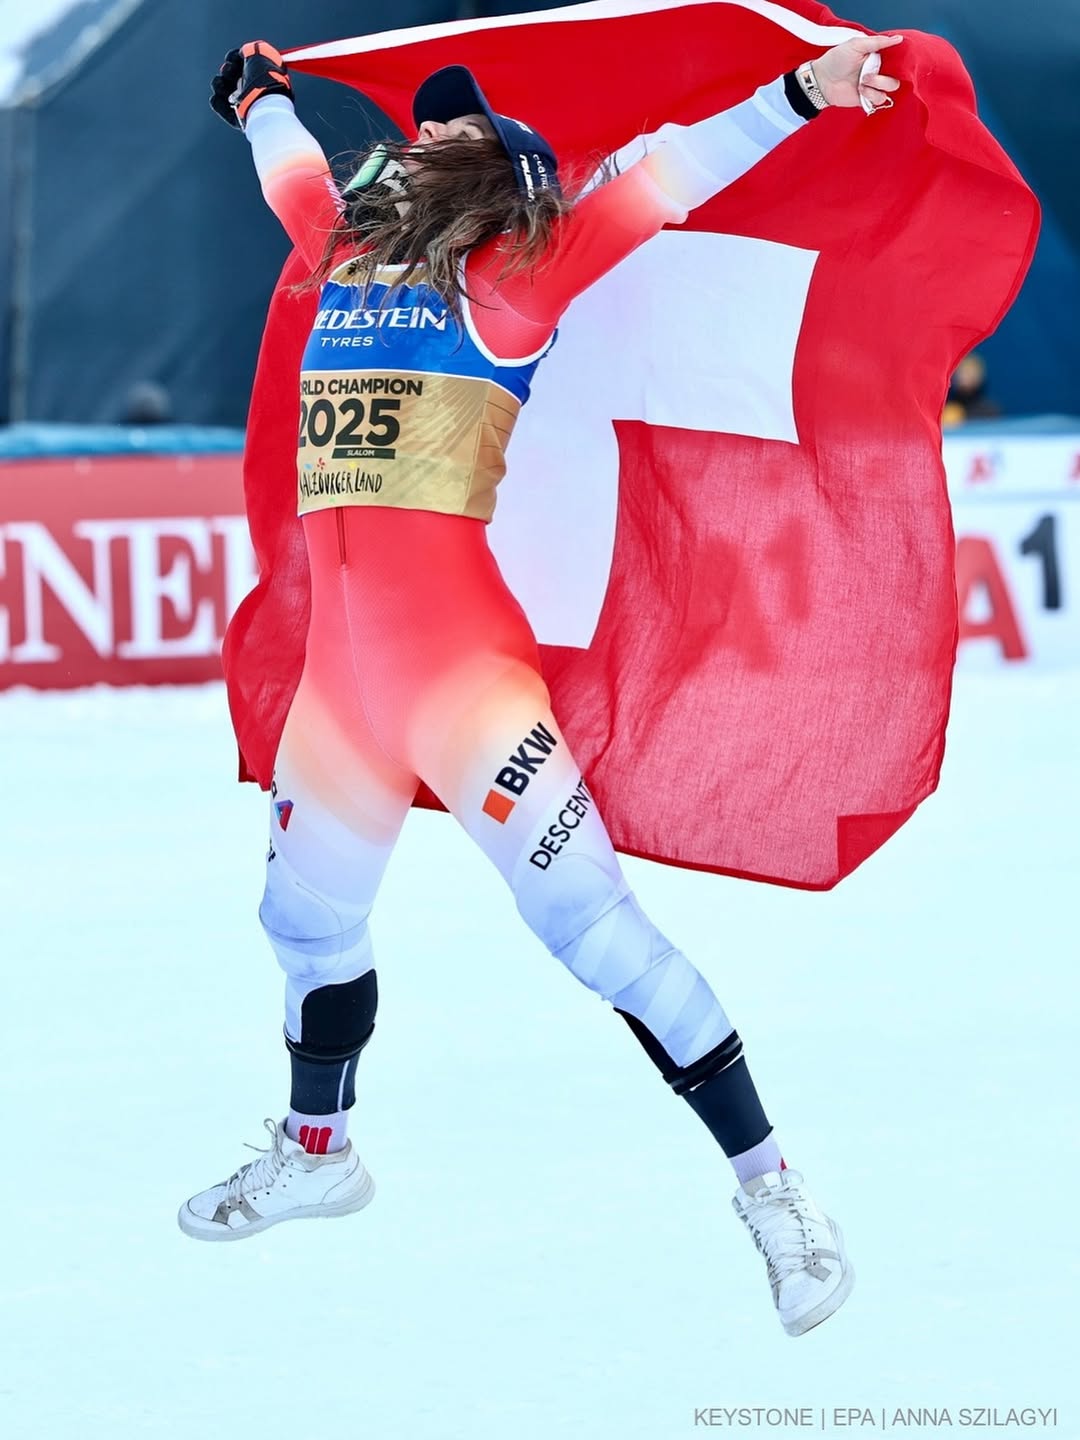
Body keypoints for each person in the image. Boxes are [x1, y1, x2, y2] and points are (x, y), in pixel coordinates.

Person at [181, 33, 902, 1338]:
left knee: (597, 935)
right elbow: (289, 168)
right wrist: (261, 96)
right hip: (344, 695)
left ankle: (777, 1195)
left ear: (502, 176)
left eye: (451, 133)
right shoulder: (343, 252)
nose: (420, 143)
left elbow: (668, 180)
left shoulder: (519, 270)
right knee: (303, 929)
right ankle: (319, 1153)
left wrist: (804, 91)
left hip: (463, 682)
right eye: (418, 132)